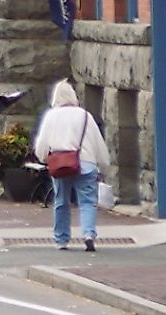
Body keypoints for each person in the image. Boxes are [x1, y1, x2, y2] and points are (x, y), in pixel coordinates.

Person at [34, 78, 109, 251]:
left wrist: (42, 157)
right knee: (88, 202)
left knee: (61, 201)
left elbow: (42, 144)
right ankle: (88, 234)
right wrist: (103, 163)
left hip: (61, 164)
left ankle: (61, 239)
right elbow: (97, 142)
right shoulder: (85, 115)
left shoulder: (51, 116)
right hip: (86, 163)